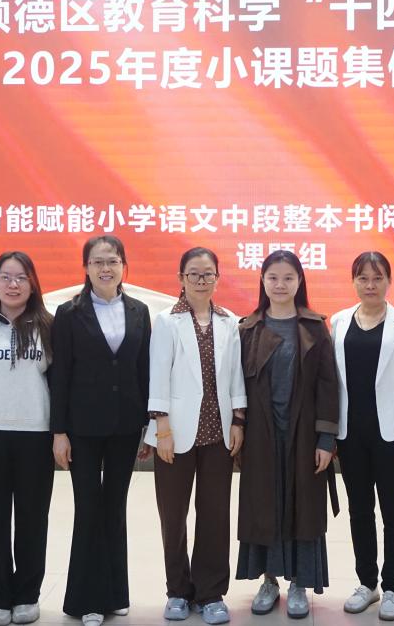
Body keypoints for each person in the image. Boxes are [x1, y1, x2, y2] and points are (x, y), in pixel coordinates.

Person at [50, 235, 152, 626]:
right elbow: (61, 375)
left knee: (115, 506)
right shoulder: (69, 313)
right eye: (97, 262)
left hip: (126, 425)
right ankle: (87, 600)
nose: (105, 268)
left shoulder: (139, 311)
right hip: (82, 428)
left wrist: (148, 425)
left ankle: (115, 594)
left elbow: (143, 370)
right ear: (86, 268)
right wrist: (59, 431)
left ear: (124, 266)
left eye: (112, 261)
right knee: (89, 508)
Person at [234, 250, 339, 620]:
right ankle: (268, 581)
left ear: (299, 282)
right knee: (264, 506)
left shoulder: (314, 327)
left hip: (303, 435)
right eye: (273, 277)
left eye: (288, 278)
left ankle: (298, 583)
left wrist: (326, 439)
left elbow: (328, 385)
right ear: (262, 281)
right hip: (260, 436)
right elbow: (235, 385)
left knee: (302, 508)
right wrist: (238, 425)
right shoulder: (247, 329)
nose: (280, 285)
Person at [145, 247, 247, 625]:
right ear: (181, 279)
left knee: (215, 515)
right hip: (174, 433)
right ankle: (177, 590)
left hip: (218, 433)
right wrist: (162, 428)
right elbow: (158, 375)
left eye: (208, 274)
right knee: (173, 516)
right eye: (194, 274)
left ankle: (210, 593)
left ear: (217, 278)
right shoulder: (166, 321)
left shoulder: (228, 321)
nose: (201, 281)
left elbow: (236, 376)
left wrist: (238, 421)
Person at [330, 252, 394, 621]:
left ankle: (392, 587)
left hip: (392, 434)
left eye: (377, 278)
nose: (370, 285)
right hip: (350, 434)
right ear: (353, 281)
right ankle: (367, 583)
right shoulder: (339, 321)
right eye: (363, 278)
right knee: (359, 511)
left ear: (389, 281)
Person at [0, 251, 55, 626]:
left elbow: (56, 385)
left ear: (32, 284)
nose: (13, 284)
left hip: (35, 435)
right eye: (5, 277)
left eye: (21, 278)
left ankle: (27, 595)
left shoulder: (49, 327)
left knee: (33, 518)